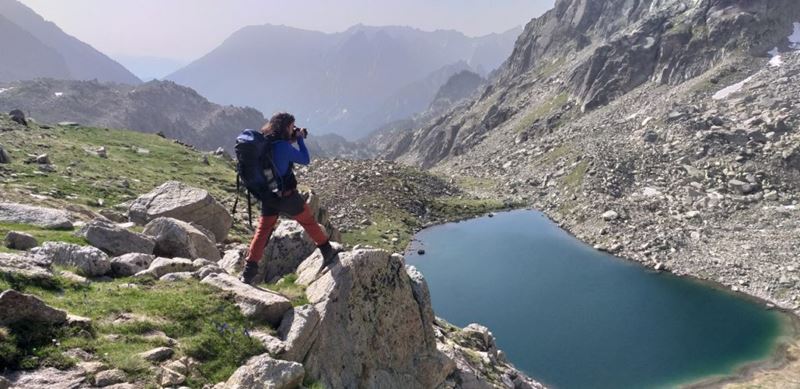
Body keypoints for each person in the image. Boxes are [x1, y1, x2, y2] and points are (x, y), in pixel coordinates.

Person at [240, 112, 339, 285]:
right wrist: (300, 139)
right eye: (292, 126)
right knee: (308, 221)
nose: (294, 128)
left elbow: (276, 156)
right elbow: (305, 159)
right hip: (287, 195)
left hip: (268, 195)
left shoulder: (266, 141)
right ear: (286, 127)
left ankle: (248, 272)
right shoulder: (283, 147)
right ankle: (327, 251)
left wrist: (292, 137)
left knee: (263, 231)